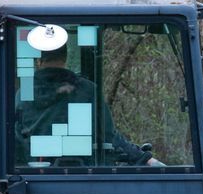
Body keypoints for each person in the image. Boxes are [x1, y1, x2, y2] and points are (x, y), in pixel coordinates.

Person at [18, 45, 161, 166]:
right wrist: (144, 158)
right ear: (65, 58)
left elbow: (14, 136)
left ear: (38, 61)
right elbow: (107, 135)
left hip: (31, 179)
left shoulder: (23, 94)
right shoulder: (87, 90)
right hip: (85, 178)